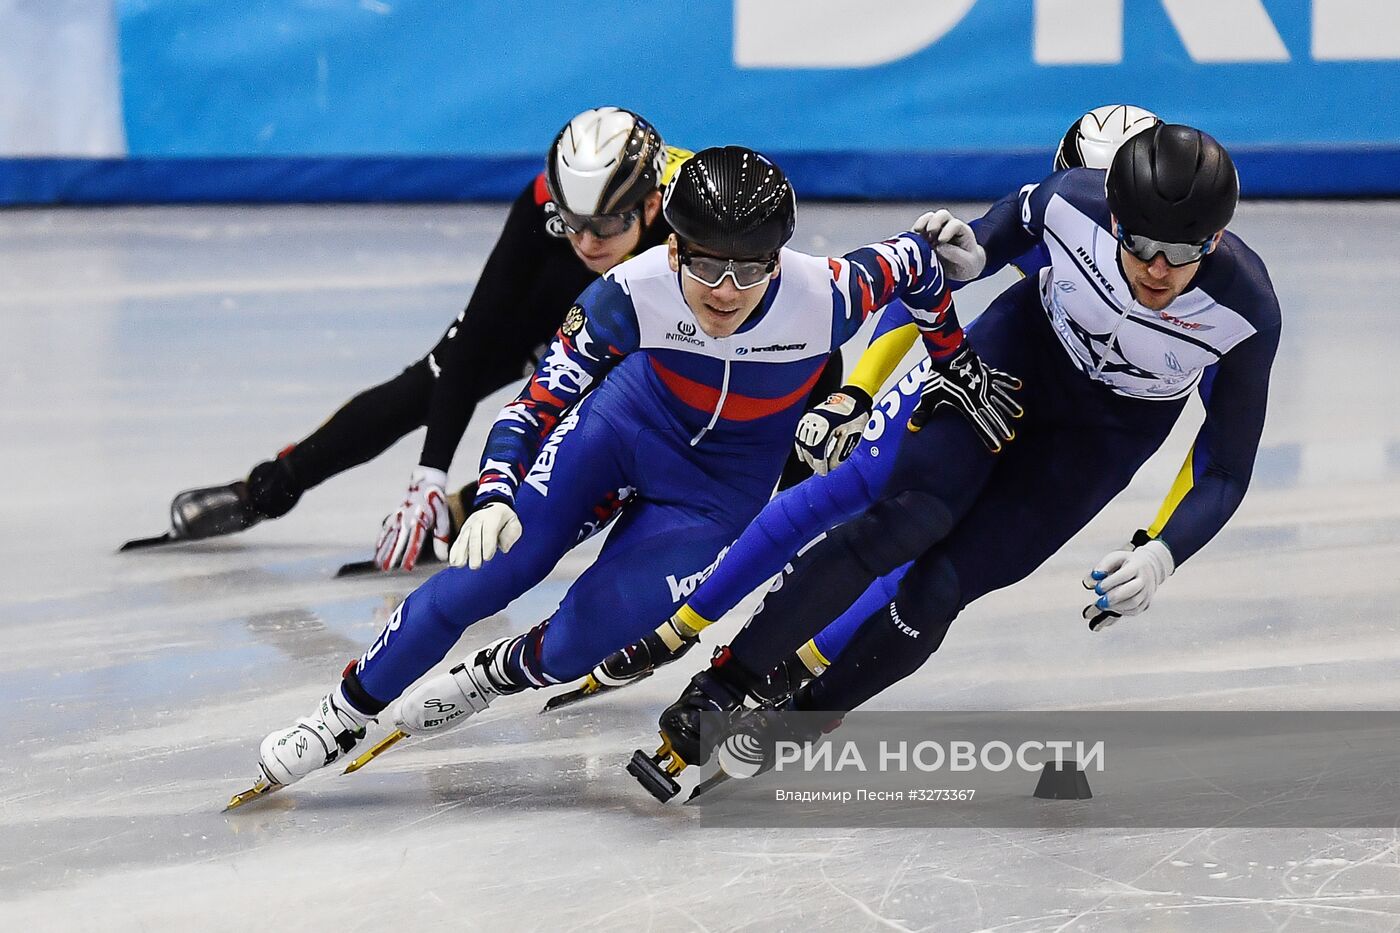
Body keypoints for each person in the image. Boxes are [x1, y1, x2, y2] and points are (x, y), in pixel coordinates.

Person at [228, 145, 991, 807]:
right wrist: (493, 490)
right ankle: (343, 711)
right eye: (705, 264)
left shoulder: (825, 292)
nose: (724, 288)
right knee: (481, 578)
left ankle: (498, 672)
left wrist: (956, 362)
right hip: (621, 433)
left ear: (777, 257)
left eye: (748, 268)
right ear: (674, 248)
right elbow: (534, 404)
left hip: (713, 492)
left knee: (578, 646)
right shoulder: (630, 292)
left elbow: (921, 269)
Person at [635, 123, 1281, 795]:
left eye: (1182, 253)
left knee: (938, 589)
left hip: (1106, 435)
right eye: (1141, 244)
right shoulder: (1071, 201)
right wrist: (974, 257)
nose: (1157, 268)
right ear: (1114, 217)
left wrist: (1162, 552)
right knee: (903, 519)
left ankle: (801, 720)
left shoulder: (1247, 310)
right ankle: (720, 686)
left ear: (1217, 240)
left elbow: (1227, 466)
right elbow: (998, 231)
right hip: (1018, 358)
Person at [573, 104, 1163, 702]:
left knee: (944, 550)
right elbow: (927, 286)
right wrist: (858, 390)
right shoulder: (1064, 216)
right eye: (1092, 204)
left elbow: (1224, 429)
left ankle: (801, 659)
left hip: (1084, 418)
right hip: (1010, 369)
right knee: (867, 491)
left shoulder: (1186, 273)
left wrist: (1160, 548)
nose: (1116, 241)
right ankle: (682, 626)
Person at [134, 108, 688, 570]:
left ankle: (466, 509)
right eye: (572, 221)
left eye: (608, 225)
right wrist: (429, 472)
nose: (588, 241)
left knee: (612, 420)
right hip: (554, 301)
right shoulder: (543, 204)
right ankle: (269, 488)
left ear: (651, 206)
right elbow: (472, 344)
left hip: (650, 318)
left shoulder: (694, 218)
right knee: (425, 386)